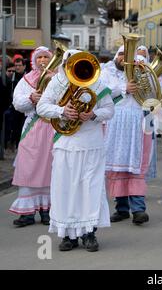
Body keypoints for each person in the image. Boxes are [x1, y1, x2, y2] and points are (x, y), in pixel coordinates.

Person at [37, 49, 114, 252]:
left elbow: (110, 110)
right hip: (65, 144)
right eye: (70, 64)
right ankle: (67, 235)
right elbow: (41, 107)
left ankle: (89, 233)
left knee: (91, 189)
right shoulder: (57, 83)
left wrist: (94, 115)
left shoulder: (97, 83)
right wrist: (62, 110)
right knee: (65, 189)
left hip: (92, 145)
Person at [102, 45, 152, 225]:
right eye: (121, 54)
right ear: (116, 57)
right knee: (117, 167)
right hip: (114, 122)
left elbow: (153, 96)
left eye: (127, 54)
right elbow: (101, 91)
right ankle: (121, 208)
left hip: (137, 122)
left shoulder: (142, 70)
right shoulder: (106, 72)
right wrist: (125, 87)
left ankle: (138, 209)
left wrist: (142, 83)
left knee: (135, 167)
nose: (123, 57)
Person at [8, 47, 54, 227]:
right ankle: (26, 212)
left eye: (46, 57)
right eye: (40, 57)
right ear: (34, 60)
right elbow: (17, 102)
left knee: (50, 168)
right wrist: (31, 98)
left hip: (53, 126)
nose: (43, 60)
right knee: (28, 166)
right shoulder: (27, 79)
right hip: (33, 127)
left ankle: (47, 211)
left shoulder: (58, 78)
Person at [5, 57, 26, 150]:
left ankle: (18, 145)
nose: (17, 67)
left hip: (23, 107)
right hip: (13, 107)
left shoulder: (27, 77)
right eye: (16, 65)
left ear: (24, 66)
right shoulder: (11, 77)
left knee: (21, 128)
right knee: (13, 127)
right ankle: (12, 143)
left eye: (19, 65)